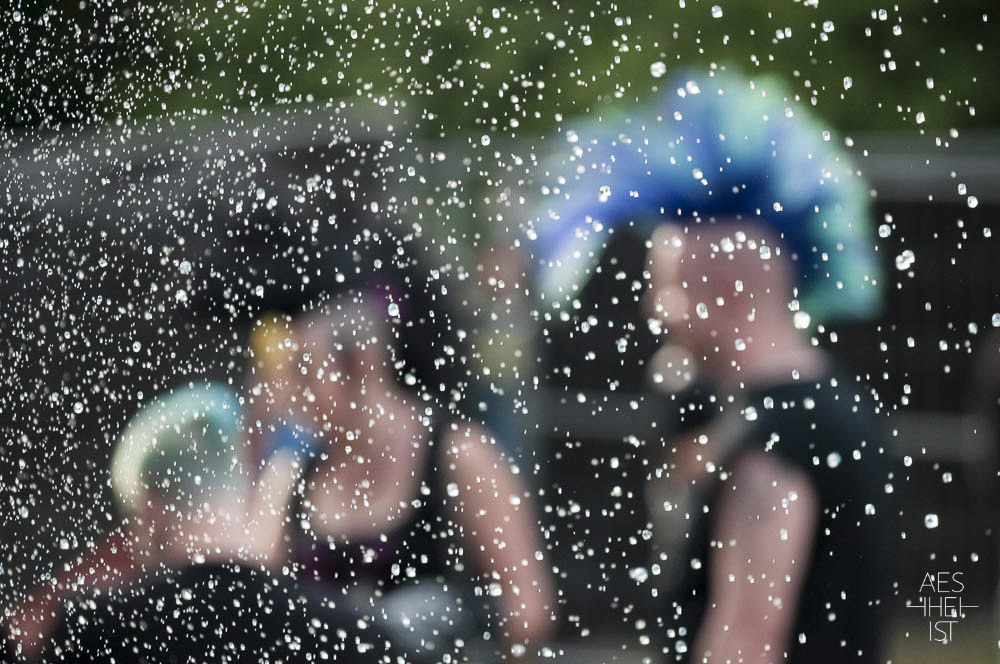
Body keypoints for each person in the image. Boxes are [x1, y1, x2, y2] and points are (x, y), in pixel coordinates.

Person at [532, 71, 894, 662]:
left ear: (722, 290)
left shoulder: (775, 443)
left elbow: (747, 641)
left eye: (666, 288)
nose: (655, 310)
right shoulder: (834, 409)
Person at [243, 288, 556, 659]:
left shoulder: (458, 456)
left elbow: (531, 609)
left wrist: (452, 626)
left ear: (362, 364)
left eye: (305, 373)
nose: (293, 394)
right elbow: (256, 603)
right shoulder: (291, 476)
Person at [23, 385, 394, 664]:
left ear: (151, 508)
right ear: (242, 480)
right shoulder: (346, 633)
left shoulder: (98, 630)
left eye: (132, 521)